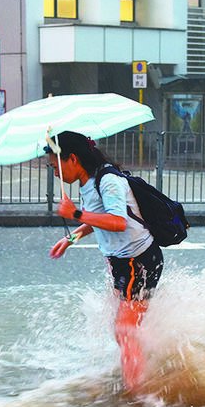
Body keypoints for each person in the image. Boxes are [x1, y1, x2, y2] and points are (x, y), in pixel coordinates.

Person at [46, 131, 164, 393]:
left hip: (139, 260)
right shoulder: (87, 183)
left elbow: (118, 222)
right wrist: (72, 238)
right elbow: (98, 219)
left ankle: (137, 394)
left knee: (125, 329)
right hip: (122, 262)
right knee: (123, 329)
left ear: (73, 159)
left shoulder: (108, 180)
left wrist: (75, 213)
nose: (55, 173)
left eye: (56, 166)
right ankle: (143, 368)